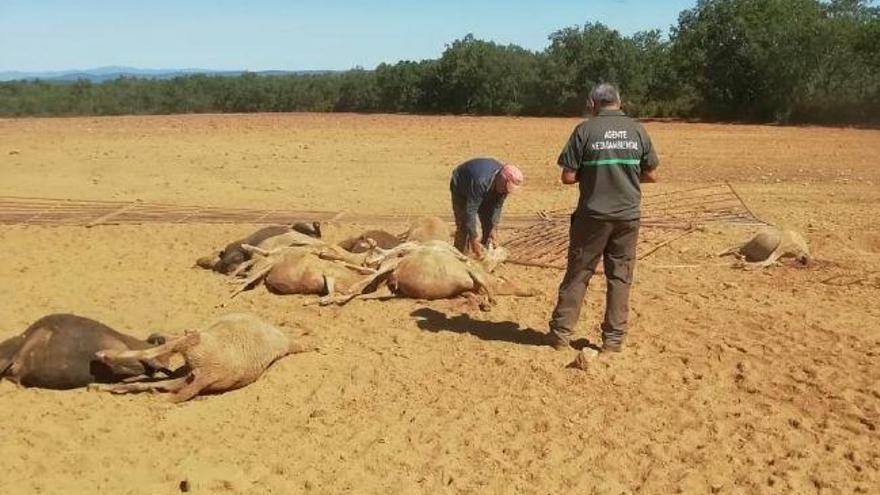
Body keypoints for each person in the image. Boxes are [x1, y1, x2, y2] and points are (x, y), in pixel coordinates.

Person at [546, 83, 659, 353]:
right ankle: (613, 340)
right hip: (628, 217)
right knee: (620, 277)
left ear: (592, 103)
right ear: (619, 102)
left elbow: (568, 177)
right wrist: (626, 176)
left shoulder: (584, 130)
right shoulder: (637, 130)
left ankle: (561, 334)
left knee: (578, 273)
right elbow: (652, 174)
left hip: (592, 217)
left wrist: (594, 175)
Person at [449, 158, 524, 258]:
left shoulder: (502, 188)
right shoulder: (480, 182)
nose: (507, 191)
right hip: (462, 187)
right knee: (465, 227)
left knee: (488, 225)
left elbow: (497, 207)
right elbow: (470, 212)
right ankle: (459, 256)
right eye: (506, 187)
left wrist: (493, 230)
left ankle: (483, 255)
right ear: (502, 179)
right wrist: (474, 239)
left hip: (487, 189)